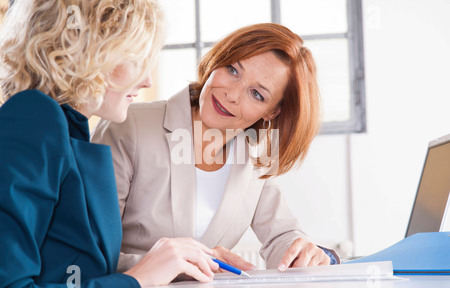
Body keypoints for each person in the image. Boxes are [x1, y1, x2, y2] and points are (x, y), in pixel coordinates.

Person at [0, 0, 219, 288]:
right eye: (136, 59)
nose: (147, 80)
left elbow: (73, 270)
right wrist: (137, 279)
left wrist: (159, 264)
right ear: (85, 49)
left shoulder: (69, 129)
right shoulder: (35, 117)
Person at [91, 23, 340, 274]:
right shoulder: (129, 125)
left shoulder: (253, 158)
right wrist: (177, 266)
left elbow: (282, 238)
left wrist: (310, 255)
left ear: (272, 112)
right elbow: (88, 251)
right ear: (217, 61)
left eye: (256, 94)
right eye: (232, 70)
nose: (231, 94)